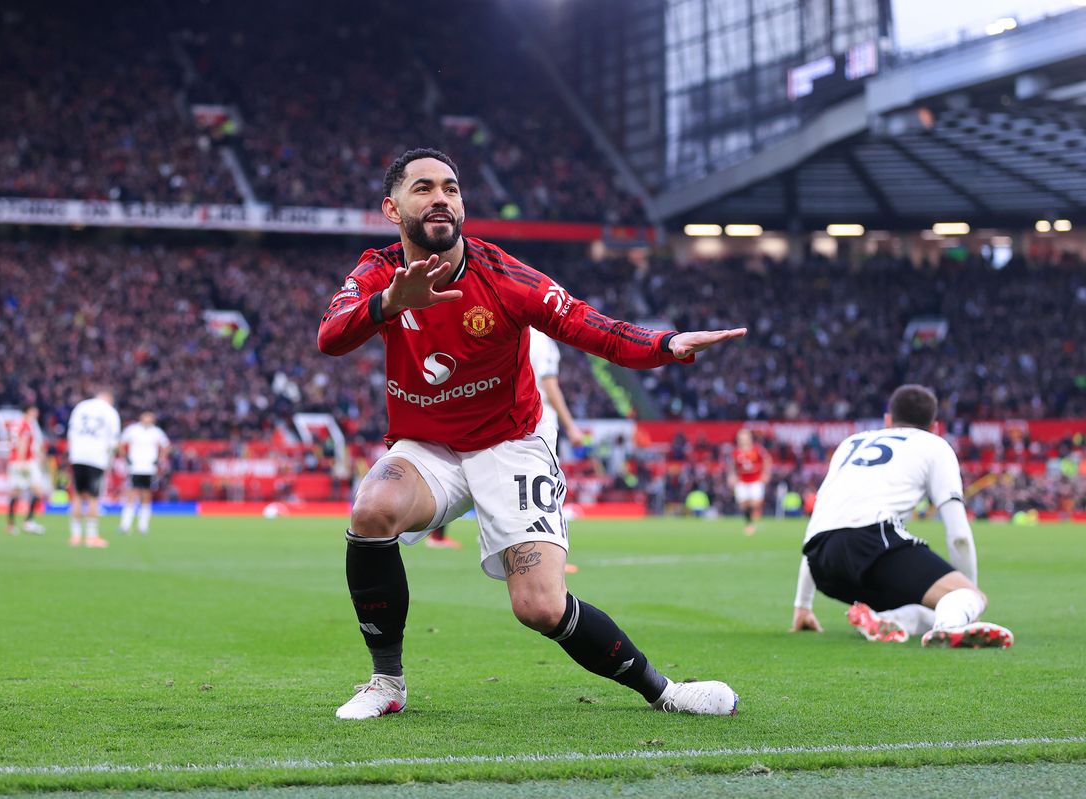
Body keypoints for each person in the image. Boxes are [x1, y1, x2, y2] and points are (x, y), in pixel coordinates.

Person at [317, 148, 747, 720]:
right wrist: (391, 301)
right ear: (392, 209)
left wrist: (665, 344)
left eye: (451, 187)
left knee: (541, 607)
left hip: (509, 445)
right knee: (371, 508)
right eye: (423, 188)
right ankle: (387, 682)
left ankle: (663, 690)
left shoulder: (503, 275)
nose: (441, 197)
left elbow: (590, 326)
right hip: (429, 449)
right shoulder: (377, 271)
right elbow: (329, 336)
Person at [790, 385, 1013, 648]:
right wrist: (967, 596)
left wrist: (803, 606)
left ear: (887, 420)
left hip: (822, 563)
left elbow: (822, 518)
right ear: (934, 425)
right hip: (872, 540)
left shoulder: (850, 443)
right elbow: (959, 535)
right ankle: (952, 627)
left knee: (930, 604)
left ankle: (884, 620)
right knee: (961, 599)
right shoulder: (934, 445)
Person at [426, 328, 584, 565]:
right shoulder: (542, 341)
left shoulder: (502, 330)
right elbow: (549, 386)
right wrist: (571, 425)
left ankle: (488, 543)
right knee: (542, 491)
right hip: (537, 424)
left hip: (501, 418)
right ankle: (547, 557)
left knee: (494, 484)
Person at [66, 388, 122, 548]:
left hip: (77, 455)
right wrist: (109, 462)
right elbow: (114, 441)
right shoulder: (110, 412)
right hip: (96, 457)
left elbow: (71, 432)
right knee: (93, 498)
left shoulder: (81, 407)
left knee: (77, 495)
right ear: (109, 399)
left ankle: (75, 536)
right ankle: (91, 537)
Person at [117, 411, 170, 535]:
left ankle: (143, 526)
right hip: (134, 467)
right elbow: (120, 444)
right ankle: (125, 525)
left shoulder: (156, 432)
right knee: (131, 494)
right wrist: (126, 458)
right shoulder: (132, 430)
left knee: (146, 495)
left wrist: (159, 459)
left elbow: (166, 446)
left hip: (149, 468)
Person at [5, 405, 46, 535]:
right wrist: (22, 461)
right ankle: (28, 521)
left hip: (14, 460)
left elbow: (11, 441)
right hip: (24, 462)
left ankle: (11, 525)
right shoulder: (26, 424)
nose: (37, 412)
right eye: (35, 410)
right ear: (29, 411)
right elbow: (23, 442)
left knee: (15, 492)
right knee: (38, 491)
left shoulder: (15, 424)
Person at [728, 429, 771, 535]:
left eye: (744, 438)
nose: (742, 440)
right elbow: (732, 466)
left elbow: (767, 460)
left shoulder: (757, 449)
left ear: (749, 439)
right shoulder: (736, 452)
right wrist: (732, 476)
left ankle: (751, 522)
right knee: (743, 504)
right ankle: (749, 524)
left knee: (755, 503)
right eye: (740, 438)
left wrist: (766, 474)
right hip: (742, 480)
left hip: (755, 480)